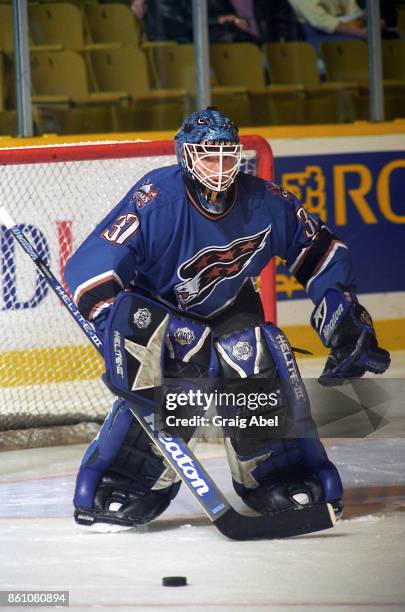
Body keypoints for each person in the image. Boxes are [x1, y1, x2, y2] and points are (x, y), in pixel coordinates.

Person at [64, 107, 390, 530]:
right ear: (185, 156)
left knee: (253, 354)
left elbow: (319, 250)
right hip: (162, 313)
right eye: (207, 156)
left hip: (230, 307)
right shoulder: (156, 198)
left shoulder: (264, 200)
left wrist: (342, 314)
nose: (219, 169)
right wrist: (118, 329)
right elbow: (91, 269)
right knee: (181, 367)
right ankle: (126, 477)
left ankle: (275, 474)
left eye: (226, 156)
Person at [287, 0, 368, 50]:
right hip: (317, 33)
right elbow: (321, 21)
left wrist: (371, 22)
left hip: (348, 27)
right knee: (355, 45)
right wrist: (359, 32)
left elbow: (353, 11)